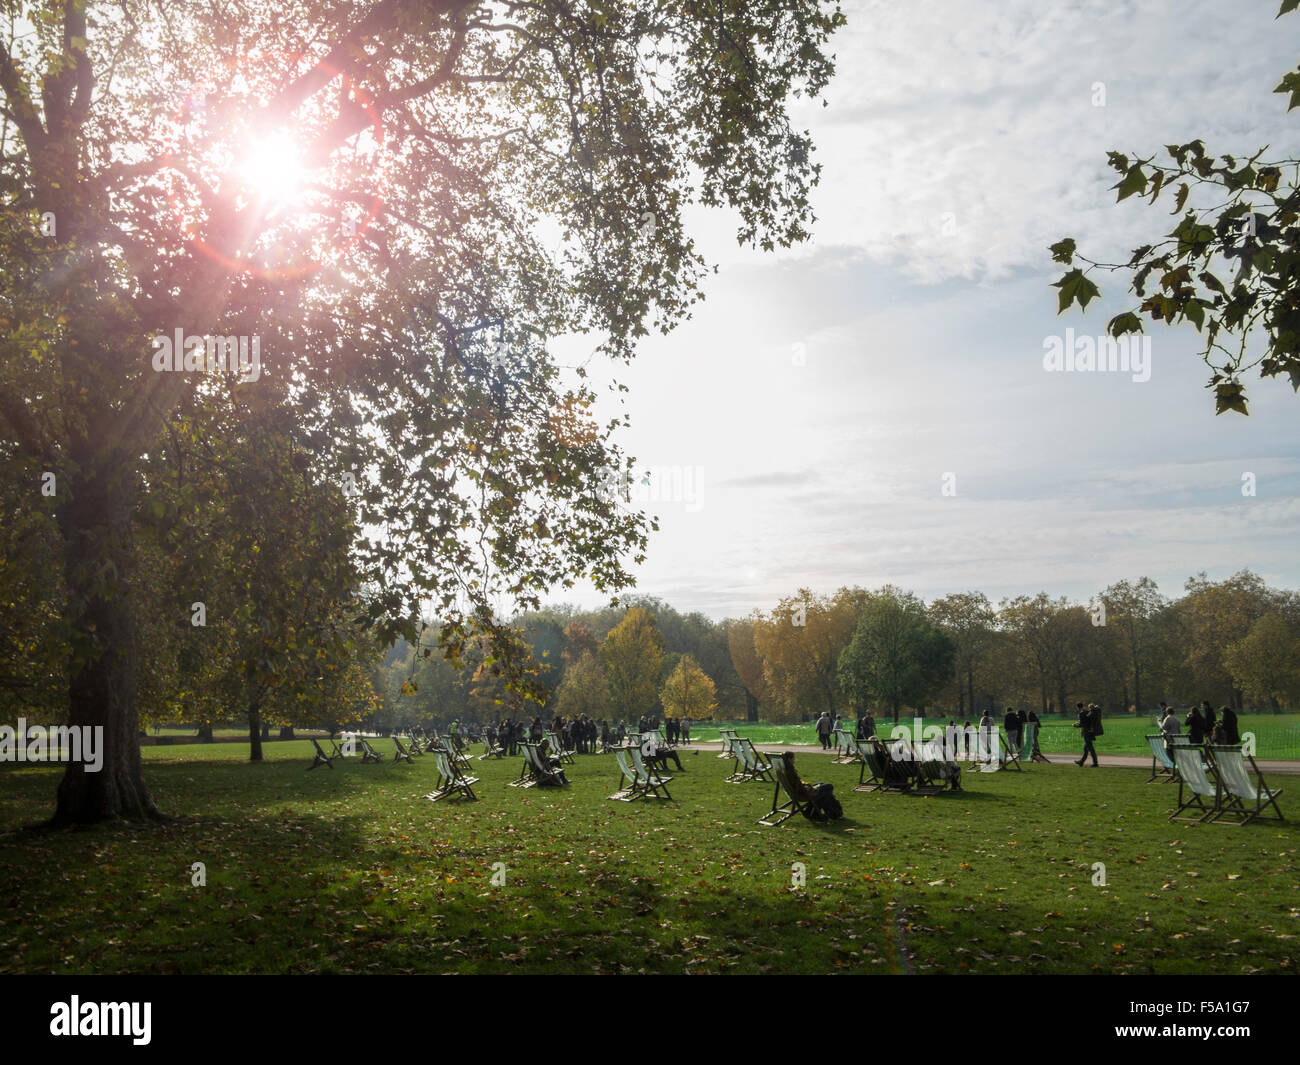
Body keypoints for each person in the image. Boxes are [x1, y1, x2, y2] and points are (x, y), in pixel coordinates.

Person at [778, 752, 842, 820]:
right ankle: (829, 813)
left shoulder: (782, 770)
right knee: (829, 787)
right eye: (793, 758)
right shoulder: (790, 771)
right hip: (801, 793)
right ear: (789, 759)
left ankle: (814, 812)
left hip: (794, 792)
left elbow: (796, 784)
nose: (794, 760)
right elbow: (798, 786)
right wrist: (809, 788)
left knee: (823, 787)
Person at [1072, 701, 1098, 766]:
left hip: (1086, 732)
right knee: (1086, 748)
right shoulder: (1088, 712)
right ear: (1082, 706)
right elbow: (1086, 721)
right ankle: (1081, 762)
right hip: (1091, 731)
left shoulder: (1081, 714)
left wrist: (1075, 725)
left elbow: (1082, 724)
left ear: (1077, 707)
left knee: (1090, 748)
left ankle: (1095, 763)